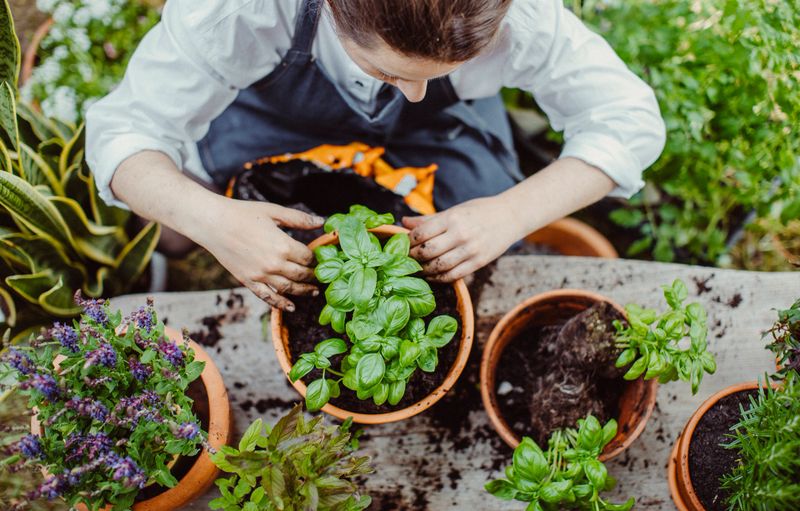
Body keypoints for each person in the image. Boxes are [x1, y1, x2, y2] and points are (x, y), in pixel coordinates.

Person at [85, 0, 665, 311]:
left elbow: (630, 121)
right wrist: (210, 220)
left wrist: (509, 214)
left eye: (439, 73)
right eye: (387, 71)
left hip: (437, 132)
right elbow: (126, 134)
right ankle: (165, 259)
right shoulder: (239, 11)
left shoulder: (525, 17)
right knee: (186, 204)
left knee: (473, 245)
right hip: (274, 120)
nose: (407, 91)